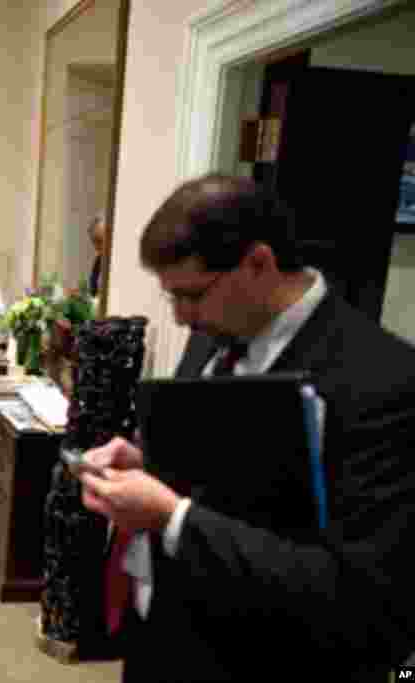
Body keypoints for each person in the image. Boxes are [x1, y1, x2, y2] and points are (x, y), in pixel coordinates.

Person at [76, 173, 415, 682]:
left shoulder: (387, 380)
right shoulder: (217, 330)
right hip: (164, 643)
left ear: (258, 263)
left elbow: (365, 604)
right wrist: (152, 465)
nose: (182, 318)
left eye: (192, 295)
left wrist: (172, 517)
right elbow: (228, 479)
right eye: (173, 298)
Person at [87, 211, 107, 298]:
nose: (96, 247)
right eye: (94, 242)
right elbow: (93, 292)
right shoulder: (98, 261)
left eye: (99, 241)